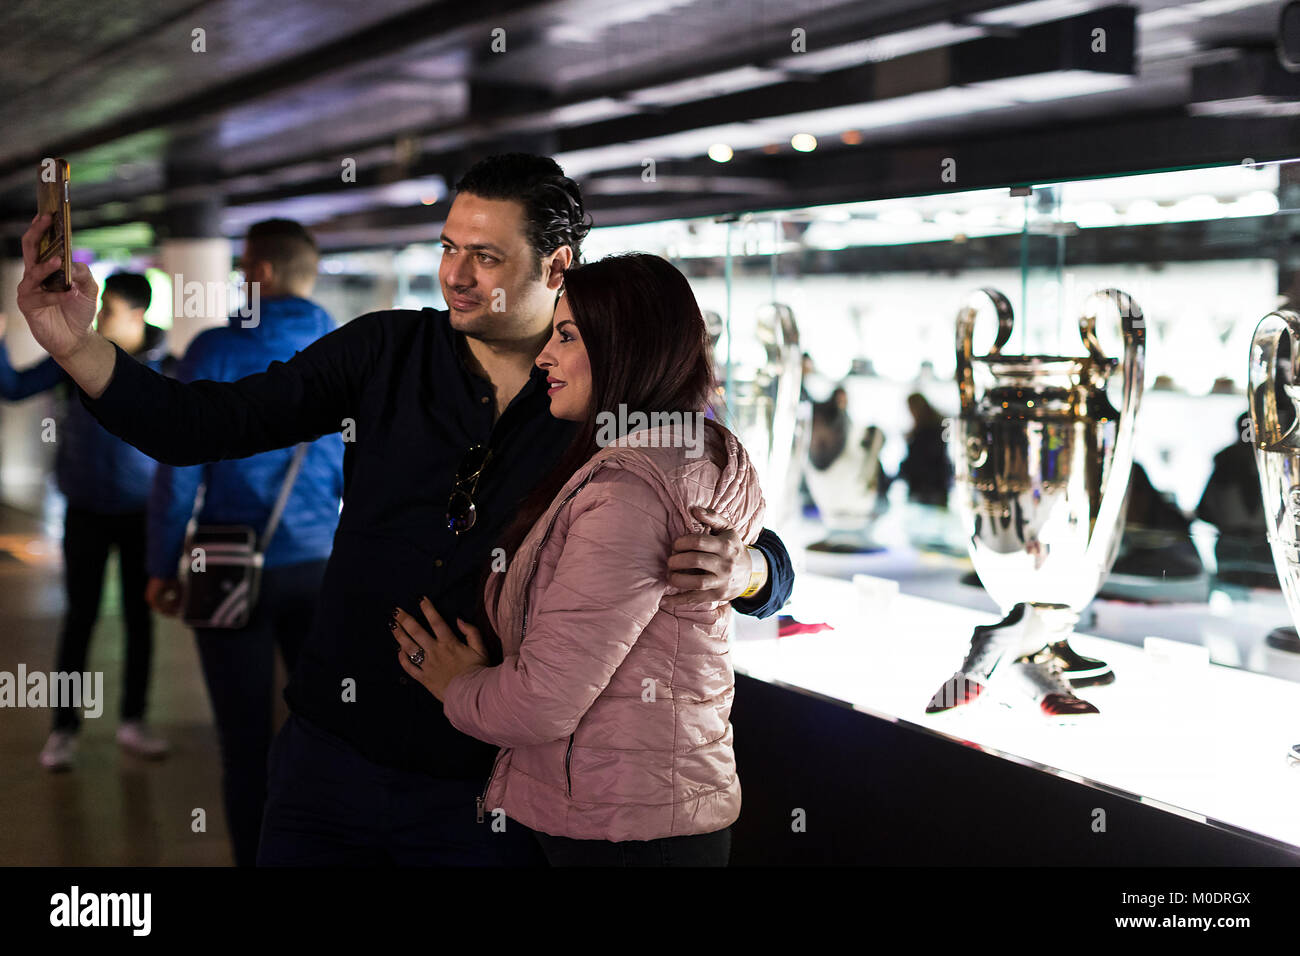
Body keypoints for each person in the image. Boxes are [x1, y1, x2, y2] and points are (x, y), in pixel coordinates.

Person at [15, 153, 794, 866]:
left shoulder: (611, 406)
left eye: (485, 256)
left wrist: (752, 570)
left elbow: (755, 549)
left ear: (557, 264)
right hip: (330, 755)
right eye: (448, 247)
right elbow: (200, 425)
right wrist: (76, 345)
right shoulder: (384, 351)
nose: (456, 274)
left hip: (485, 790)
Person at [390, 254, 765, 866]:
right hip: (645, 808)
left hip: (623, 823)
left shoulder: (631, 491)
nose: (545, 357)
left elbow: (542, 701)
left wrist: (456, 684)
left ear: (628, 347)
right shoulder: (679, 455)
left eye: (566, 336)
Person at [145, 220, 344, 867]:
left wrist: (162, 562)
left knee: (243, 740)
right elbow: (359, 467)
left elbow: (179, 469)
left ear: (258, 272)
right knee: (326, 733)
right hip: (320, 566)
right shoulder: (343, 346)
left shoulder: (213, 351)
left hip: (225, 563)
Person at [0, 273, 172, 769]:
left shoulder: (167, 369)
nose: (97, 320)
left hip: (143, 511)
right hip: (86, 508)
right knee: (80, 619)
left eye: (107, 310)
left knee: (141, 621)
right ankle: (64, 729)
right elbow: (12, 387)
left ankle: (133, 721)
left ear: (137, 313)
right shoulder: (75, 359)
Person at [896, 391, 952, 506]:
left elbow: (922, 459)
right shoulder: (934, 428)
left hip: (928, 488)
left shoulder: (927, 431)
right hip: (931, 487)